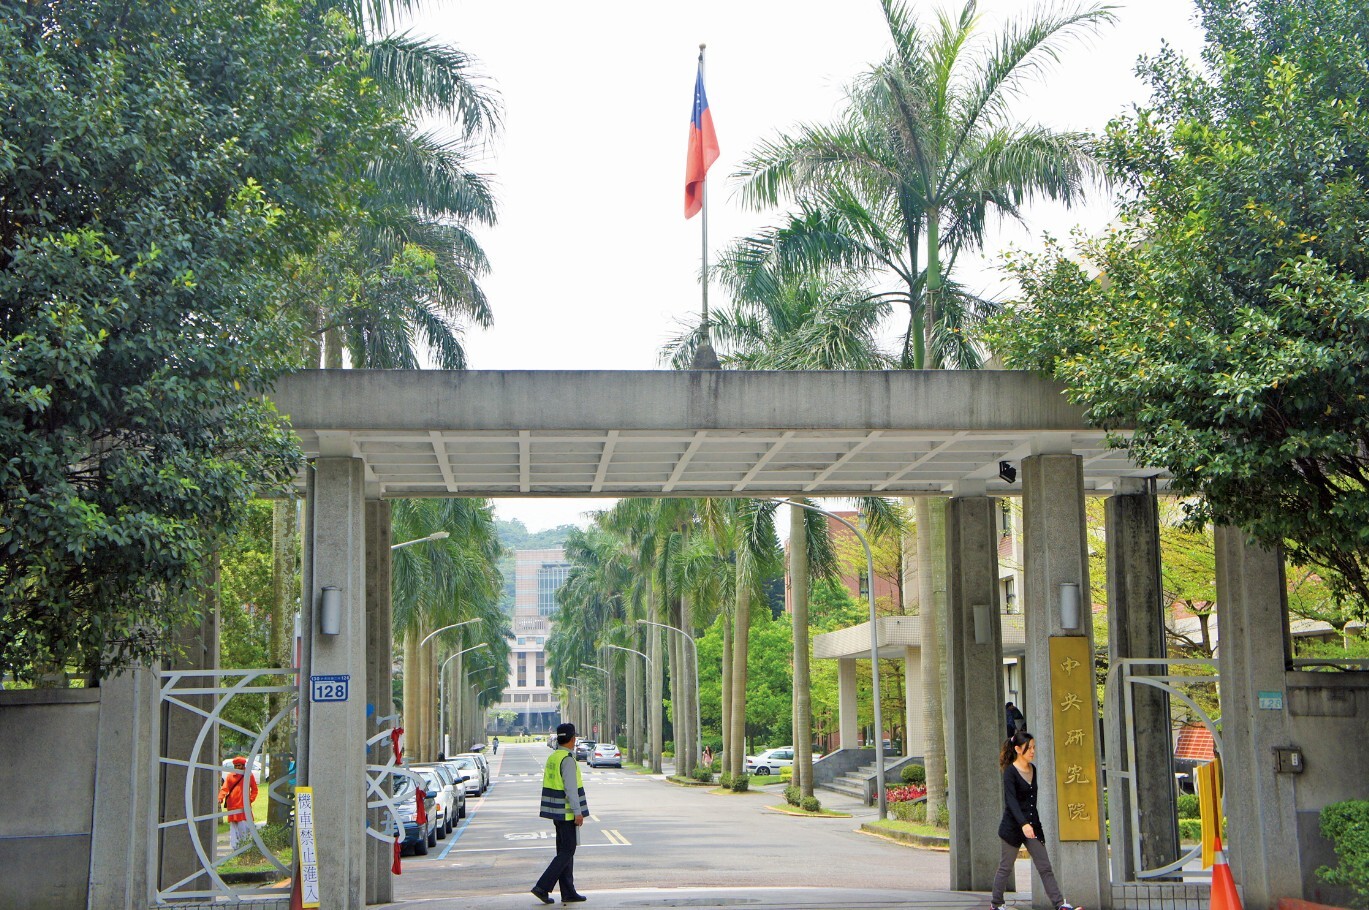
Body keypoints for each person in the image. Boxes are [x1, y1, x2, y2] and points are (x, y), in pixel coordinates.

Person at [991, 731, 1076, 910]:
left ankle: (1060, 904)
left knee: (1045, 867)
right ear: (1017, 749)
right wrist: (1023, 824)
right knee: (1005, 868)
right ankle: (996, 904)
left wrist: (1032, 825)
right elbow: (1011, 802)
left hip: (1032, 826)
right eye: (1028, 748)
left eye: (1033, 747)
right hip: (1013, 828)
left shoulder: (1033, 769)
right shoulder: (1010, 773)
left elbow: (1031, 802)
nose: (1032, 751)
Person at [531, 723, 588, 904]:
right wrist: (578, 812)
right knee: (567, 851)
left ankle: (568, 891)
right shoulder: (568, 759)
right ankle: (542, 886)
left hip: (555, 813)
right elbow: (571, 789)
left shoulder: (554, 757)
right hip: (567, 813)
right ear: (572, 739)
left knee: (564, 851)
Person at [219, 756, 258, 852]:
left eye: (239, 765)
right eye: (235, 765)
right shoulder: (230, 776)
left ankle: (244, 846)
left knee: (244, 826)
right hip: (232, 806)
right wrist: (220, 798)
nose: (237, 767)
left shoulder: (249, 775)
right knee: (233, 827)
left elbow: (254, 790)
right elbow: (224, 789)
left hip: (243, 806)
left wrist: (250, 800)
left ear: (243, 765)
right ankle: (235, 847)